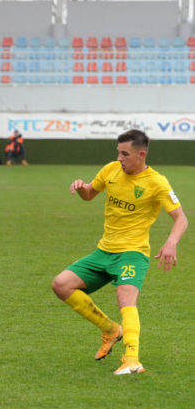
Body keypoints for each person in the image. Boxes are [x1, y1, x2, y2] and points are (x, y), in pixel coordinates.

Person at [51, 130, 188, 376]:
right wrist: (81, 187)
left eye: (125, 154)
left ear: (141, 154)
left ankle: (132, 360)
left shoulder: (157, 182)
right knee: (61, 284)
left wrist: (171, 242)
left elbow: (181, 218)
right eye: (118, 152)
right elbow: (90, 194)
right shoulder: (111, 170)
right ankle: (111, 329)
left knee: (126, 299)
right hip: (104, 250)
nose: (120, 158)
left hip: (132, 253)